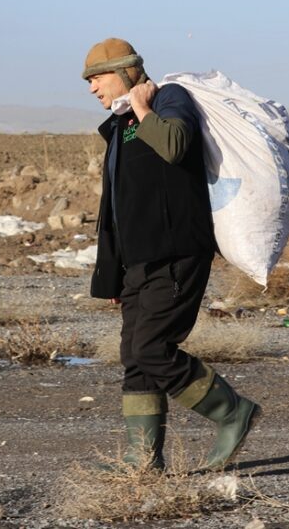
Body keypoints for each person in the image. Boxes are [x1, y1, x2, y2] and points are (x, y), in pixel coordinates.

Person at [82, 37, 261, 471]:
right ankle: (142, 460)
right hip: (139, 263)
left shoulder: (170, 100)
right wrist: (115, 272)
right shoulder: (121, 126)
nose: (92, 89)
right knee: (135, 356)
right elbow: (119, 205)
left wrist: (145, 107)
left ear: (127, 72)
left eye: (97, 78)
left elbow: (176, 145)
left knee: (153, 349)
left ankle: (232, 411)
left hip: (177, 253)